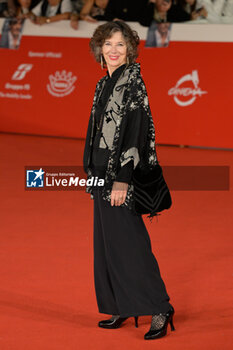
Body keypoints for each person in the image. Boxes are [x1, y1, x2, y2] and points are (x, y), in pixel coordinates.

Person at [83, 20, 175, 340]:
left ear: (130, 49)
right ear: (99, 48)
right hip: (99, 174)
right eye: (108, 44)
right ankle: (121, 305)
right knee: (107, 245)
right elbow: (95, 134)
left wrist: (123, 179)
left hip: (121, 177)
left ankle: (159, 307)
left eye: (120, 44)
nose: (113, 50)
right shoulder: (102, 83)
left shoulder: (133, 80)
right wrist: (90, 173)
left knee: (132, 244)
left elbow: (136, 130)